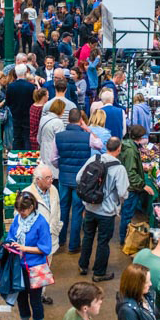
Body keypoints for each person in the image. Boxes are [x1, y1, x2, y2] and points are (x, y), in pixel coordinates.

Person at [77, 137, 130, 282]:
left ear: (106, 146)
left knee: (87, 236)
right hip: (106, 212)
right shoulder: (119, 168)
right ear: (118, 150)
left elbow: (78, 178)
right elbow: (122, 192)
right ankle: (99, 273)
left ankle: (83, 265)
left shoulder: (95, 158)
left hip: (89, 207)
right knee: (103, 241)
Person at [5, 192, 54, 320]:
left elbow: (45, 248)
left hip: (35, 268)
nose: (21, 213)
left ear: (32, 207)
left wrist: (24, 248)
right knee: (21, 297)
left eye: (23, 210)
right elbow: (11, 235)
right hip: (19, 266)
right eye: (19, 210)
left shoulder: (41, 223)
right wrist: (10, 244)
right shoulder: (18, 220)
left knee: (35, 299)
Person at [55, 109, 93, 254]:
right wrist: (87, 129)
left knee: (63, 209)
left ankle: (60, 239)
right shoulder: (87, 137)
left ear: (68, 120)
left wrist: (62, 167)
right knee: (77, 211)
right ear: (80, 120)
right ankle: (74, 245)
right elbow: (100, 145)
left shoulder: (59, 136)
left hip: (64, 178)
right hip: (80, 180)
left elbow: (54, 157)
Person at [118, 125, 153, 248]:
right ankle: (124, 240)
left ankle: (124, 237)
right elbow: (130, 172)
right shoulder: (131, 150)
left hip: (130, 186)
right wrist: (143, 185)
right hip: (131, 188)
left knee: (126, 213)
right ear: (140, 137)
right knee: (127, 214)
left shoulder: (128, 145)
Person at [6, 63, 37, 150]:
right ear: (25, 72)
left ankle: (16, 157)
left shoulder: (11, 86)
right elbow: (33, 101)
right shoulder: (30, 87)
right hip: (27, 115)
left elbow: (8, 102)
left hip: (16, 115)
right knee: (27, 137)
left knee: (17, 137)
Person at [38, 99, 67, 170]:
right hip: (53, 156)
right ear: (60, 109)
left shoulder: (43, 118)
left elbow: (38, 138)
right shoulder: (58, 123)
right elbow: (60, 143)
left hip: (43, 152)